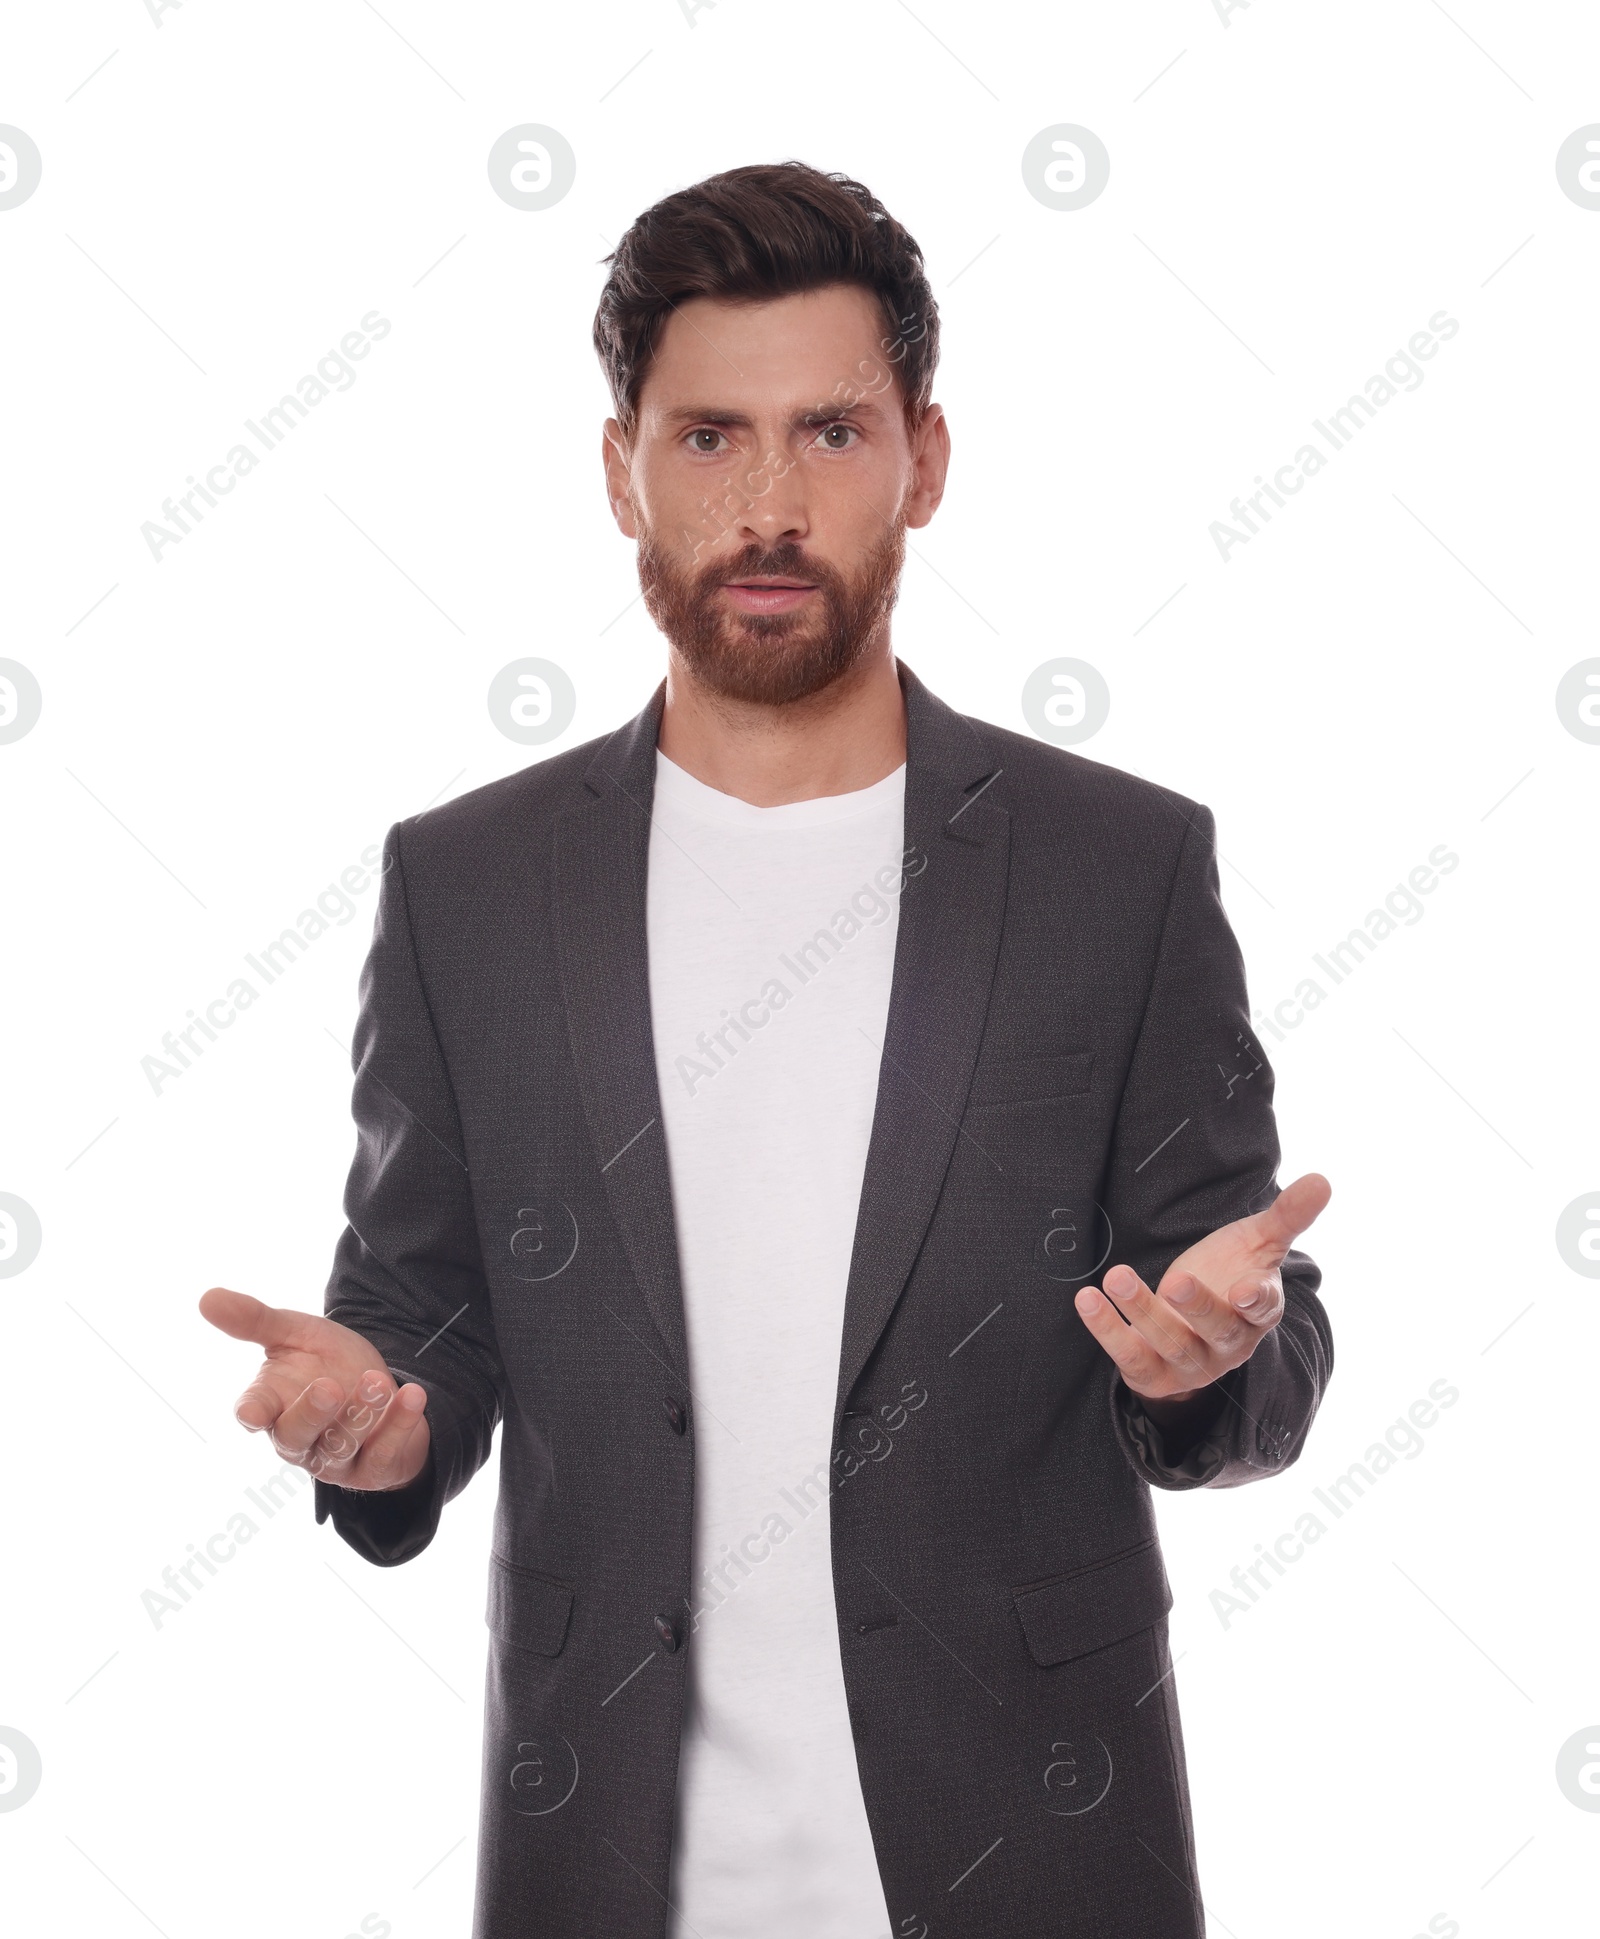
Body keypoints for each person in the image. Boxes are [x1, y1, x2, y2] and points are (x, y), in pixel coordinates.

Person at [201, 160, 1332, 1939]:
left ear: (925, 460)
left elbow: (1252, 1322)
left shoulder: (1122, 868)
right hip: (608, 1854)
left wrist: (1206, 1367)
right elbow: (420, 1324)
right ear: (620, 471)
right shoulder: (465, 888)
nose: (773, 504)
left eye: (830, 432)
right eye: (711, 438)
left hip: (1034, 1842)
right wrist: (376, 1425)